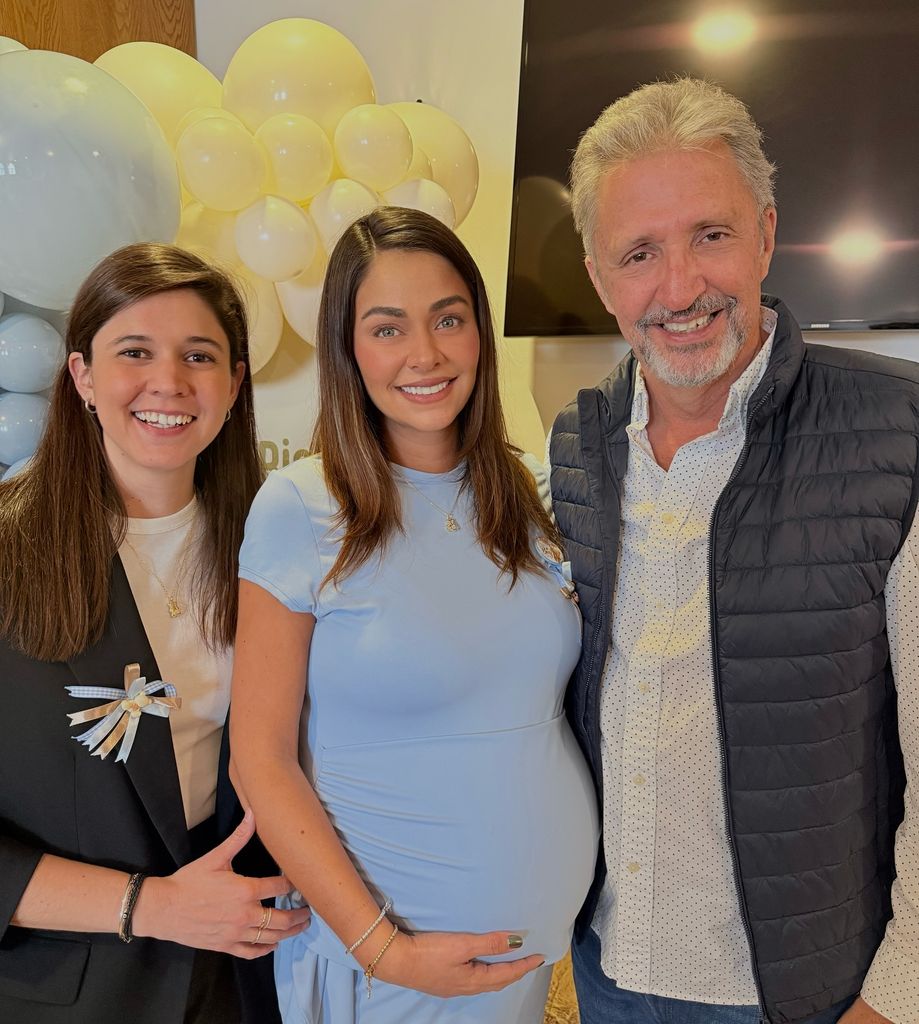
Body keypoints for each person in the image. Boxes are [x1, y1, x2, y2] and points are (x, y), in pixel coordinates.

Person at [548, 77, 919, 1024]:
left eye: (709, 235)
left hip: (806, 999)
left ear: (764, 233)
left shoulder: (896, 432)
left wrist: (897, 992)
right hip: (607, 973)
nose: (679, 288)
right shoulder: (576, 447)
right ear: (597, 275)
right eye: (638, 253)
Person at [230, 206, 599, 1023]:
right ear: (348, 349)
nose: (425, 355)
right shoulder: (300, 506)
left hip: (524, 955)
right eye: (387, 328)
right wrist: (383, 947)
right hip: (390, 960)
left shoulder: (529, 492)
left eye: (448, 320)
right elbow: (259, 760)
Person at [0, 243, 310, 1024]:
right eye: (134, 351)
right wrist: (151, 906)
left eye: (198, 355)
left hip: (249, 980)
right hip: (73, 991)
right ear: (83, 378)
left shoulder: (280, 545)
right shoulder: (7, 553)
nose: (168, 382)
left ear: (234, 383)